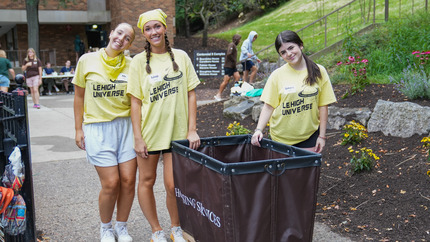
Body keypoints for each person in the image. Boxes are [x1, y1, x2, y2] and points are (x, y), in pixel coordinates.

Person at [127, 9, 200, 242]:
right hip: (149, 134)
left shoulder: (181, 57)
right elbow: (135, 103)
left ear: (164, 28)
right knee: (146, 182)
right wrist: (138, 137)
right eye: (148, 29)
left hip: (177, 135)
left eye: (156, 26)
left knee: (172, 185)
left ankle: (175, 227)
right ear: (144, 33)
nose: (153, 32)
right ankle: (156, 230)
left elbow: (191, 94)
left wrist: (192, 129)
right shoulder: (138, 62)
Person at [73, 23, 137, 242]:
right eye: (119, 33)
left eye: (127, 37)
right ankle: (106, 227)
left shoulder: (132, 65)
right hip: (97, 127)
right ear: (110, 34)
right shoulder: (87, 61)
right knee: (111, 183)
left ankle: (121, 226)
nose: (121, 38)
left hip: (126, 126)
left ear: (129, 44)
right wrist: (78, 128)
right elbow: (79, 97)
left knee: (128, 180)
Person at [251, 30, 336, 153]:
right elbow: (269, 106)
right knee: (283, 173)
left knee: (306, 172)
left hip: (309, 136)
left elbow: (323, 106)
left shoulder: (319, 71)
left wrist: (322, 136)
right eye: (283, 52)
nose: (289, 54)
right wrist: (258, 130)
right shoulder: (277, 75)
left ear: (300, 45)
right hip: (280, 139)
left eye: (291, 48)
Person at [214, 34, 241, 101]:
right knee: (226, 81)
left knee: (237, 77)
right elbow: (229, 54)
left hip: (233, 66)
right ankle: (218, 95)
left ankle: (234, 92)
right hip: (228, 66)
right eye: (239, 39)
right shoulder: (231, 45)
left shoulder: (234, 45)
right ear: (236, 39)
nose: (240, 41)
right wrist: (234, 60)